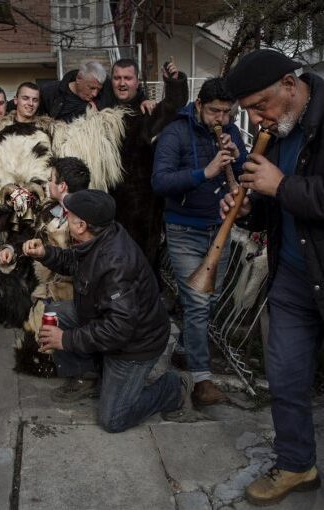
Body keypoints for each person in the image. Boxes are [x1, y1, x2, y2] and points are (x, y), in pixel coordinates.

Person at [220, 49, 323, 506]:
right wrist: (248, 209)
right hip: (294, 278)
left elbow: (288, 189)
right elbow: (275, 207)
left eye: (261, 105)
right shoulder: (279, 129)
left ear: (289, 84)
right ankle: (297, 465)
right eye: (249, 111)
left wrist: (280, 185)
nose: (257, 119)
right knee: (284, 377)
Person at [22, 189, 193, 431]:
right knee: (54, 313)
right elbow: (74, 261)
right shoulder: (99, 237)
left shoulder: (116, 263)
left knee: (113, 419)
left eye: (69, 215)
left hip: (135, 345)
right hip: (104, 320)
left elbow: (118, 329)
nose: (65, 218)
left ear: (81, 225)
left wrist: (66, 340)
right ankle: (87, 377)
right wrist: (45, 253)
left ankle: (174, 388)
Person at [152, 77, 247, 406]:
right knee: (197, 302)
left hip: (220, 227)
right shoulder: (175, 133)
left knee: (211, 299)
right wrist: (204, 173)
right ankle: (201, 380)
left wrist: (239, 158)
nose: (221, 119)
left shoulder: (231, 131)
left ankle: (184, 347)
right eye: (214, 111)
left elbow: (245, 173)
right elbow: (160, 181)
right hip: (184, 229)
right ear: (199, 105)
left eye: (226, 112)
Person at [0, 156, 90, 376]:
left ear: (62, 186)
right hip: (49, 290)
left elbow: (83, 264)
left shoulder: (86, 220)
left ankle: (80, 370)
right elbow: (33, 239)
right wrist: (12, 251)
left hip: (77, 295)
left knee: (56, 348)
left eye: (51, 179)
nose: (47, 184)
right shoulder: (51, 211)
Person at [109, 58, 188, 270]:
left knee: (143, 265)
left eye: (128, 78)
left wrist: (174, 83)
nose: (122, 83)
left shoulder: (147, 112)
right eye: (117, 78)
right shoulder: (101, 111)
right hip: (109, 205)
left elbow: (172, 106)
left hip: (143, 207)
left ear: (137, 81)